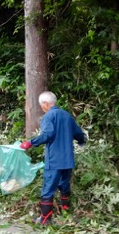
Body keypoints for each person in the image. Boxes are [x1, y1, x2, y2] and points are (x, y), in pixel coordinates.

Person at [20, 91, 86, 225]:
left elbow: (48, 135)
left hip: (54, 160)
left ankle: (45, 219)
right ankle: (65, 210)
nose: (41, 108)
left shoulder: (48, 116)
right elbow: (79, 133)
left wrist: (30, 143)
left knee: (48, 187)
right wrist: (81, 142)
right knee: (64, 184)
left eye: (41, 105)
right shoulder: (67, 115)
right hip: (68, 160)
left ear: (45, 103)